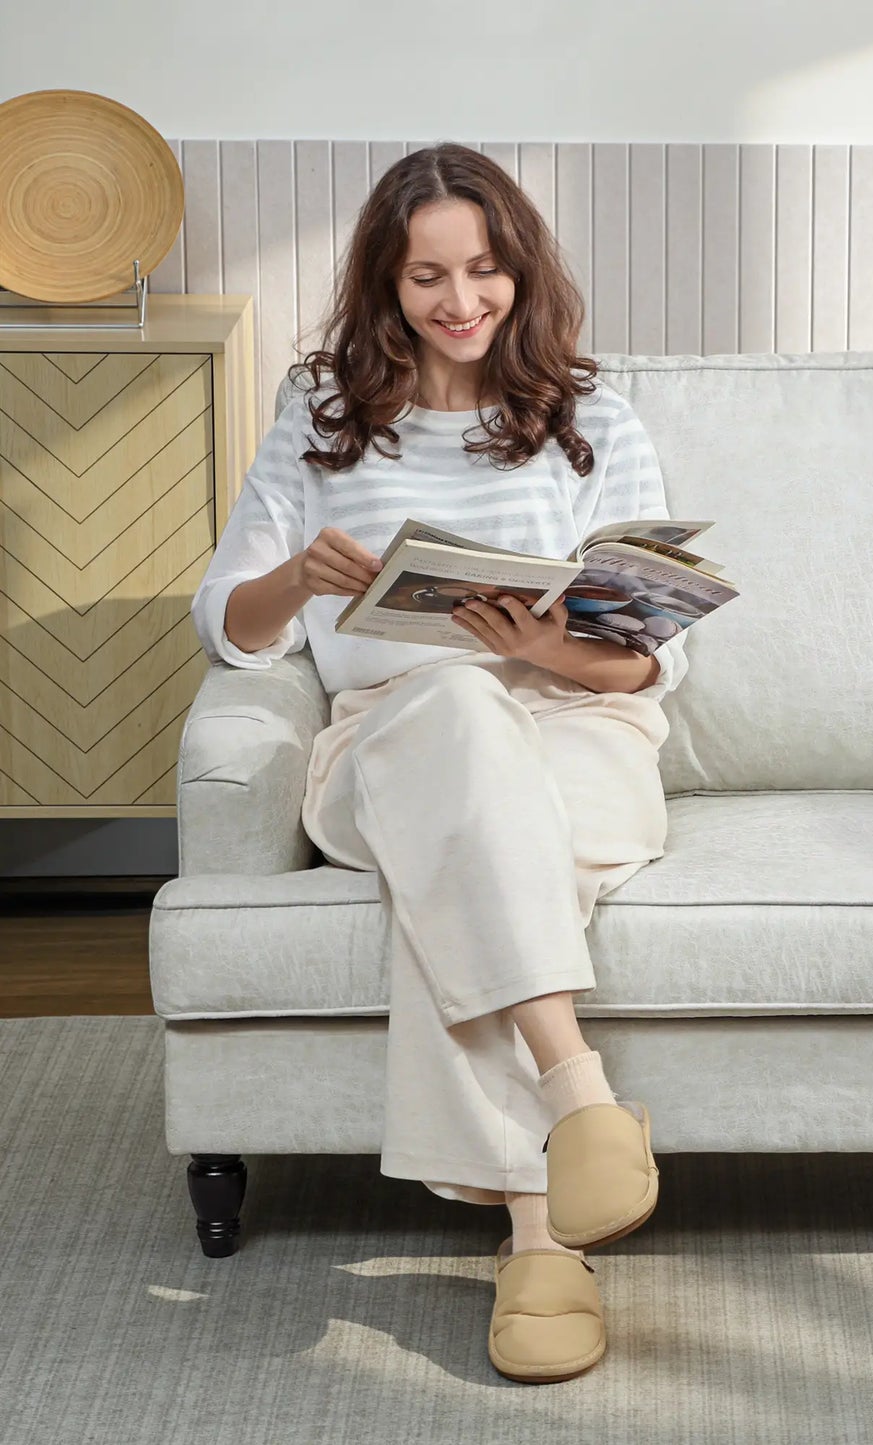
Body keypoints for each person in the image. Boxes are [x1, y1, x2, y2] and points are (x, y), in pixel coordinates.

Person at [190, 142, 688, 1384]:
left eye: (482, 271)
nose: (460, 300)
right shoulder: (320, 421)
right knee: (457, 713)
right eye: (426, 277)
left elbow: (645, 659)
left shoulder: (590, 419)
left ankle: (538, 1230)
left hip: (575, 724)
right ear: (384, 281)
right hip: (394, 732)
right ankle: (576, 1103)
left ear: (519, 270)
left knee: (466, 855)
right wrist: (295, 575)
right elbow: (230, 629)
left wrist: (544, 645)